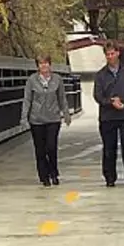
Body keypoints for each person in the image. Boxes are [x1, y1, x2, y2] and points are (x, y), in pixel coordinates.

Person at [93, 40, 124, 188]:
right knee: (109, 147)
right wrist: (110, 102)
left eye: (112, 53)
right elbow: (98, 96)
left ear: (118, 53)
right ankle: (110, 177)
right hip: (108, 117)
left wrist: (123, 101)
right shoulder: (100, 75)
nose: (110, 57)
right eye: (108, 54)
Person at [21, 54, 72, 187]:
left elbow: (62, 98)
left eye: (46, 63)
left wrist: (66, 113)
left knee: (51, 147)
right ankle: (44, 176)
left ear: (50, 64)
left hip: (53, 119)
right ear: (37, 66)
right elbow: (27, 100)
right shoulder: (31, 80)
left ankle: (54, 172)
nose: (44, 66)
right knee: (40, 149)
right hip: (36, 120)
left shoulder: (57, 80)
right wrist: (24, 117)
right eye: (40, 63)